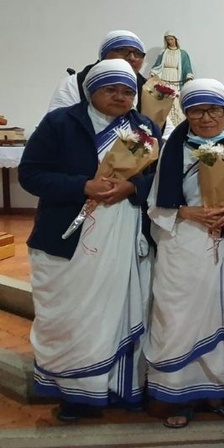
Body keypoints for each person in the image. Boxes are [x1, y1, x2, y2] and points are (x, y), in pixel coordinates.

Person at [19, 59, 161, 421]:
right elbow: (31, 174)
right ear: (90, 90)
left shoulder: (143, 126)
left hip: (125, 236)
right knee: (72, 317)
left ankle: (121, 388)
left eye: (127, 91)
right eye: (110, 89)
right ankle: (76, 394)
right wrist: (83, 185)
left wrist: (132, 186)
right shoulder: (61, 123)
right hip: (69, 241)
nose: (120, 96)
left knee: (121, 309)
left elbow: (159, 178)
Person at [146, 79, 224, 428]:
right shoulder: (171, 146)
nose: (206, 117)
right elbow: (154, 203)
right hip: (184, 243)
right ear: (186, 112)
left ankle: (220, 393)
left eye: (214, 109)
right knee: (179, 318)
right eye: (196, 110)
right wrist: (186, 212)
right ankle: (180, 398)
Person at [48, 30, 148, 112]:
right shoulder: (73, 83)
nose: (132, 57)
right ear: (104, 55)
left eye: (138, 53)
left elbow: (162, 131)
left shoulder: (149, 89)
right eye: (122, 50)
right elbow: (55, 128)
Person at [149, 31, 195, 127]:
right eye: (168, 40)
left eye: (171, 39)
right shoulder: (163, 52)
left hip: (176, 77)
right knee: (163, 99)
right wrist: (153, 74)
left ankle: (176, 123)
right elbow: (158, 65)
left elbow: (186, 67)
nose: (170, 41)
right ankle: (163, 122)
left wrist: (188, 77)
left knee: (175, 100)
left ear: (176, 39)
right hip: (164, 77)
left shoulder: (182, 53)